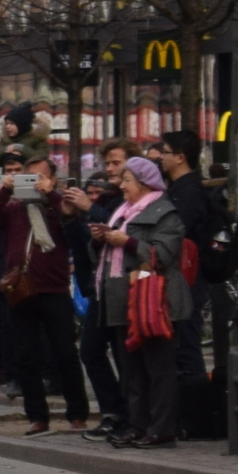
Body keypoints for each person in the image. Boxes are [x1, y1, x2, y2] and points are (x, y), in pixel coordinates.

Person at [0, 161, 90, 434]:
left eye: (39, 177)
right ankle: (37, 416)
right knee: (26, 356)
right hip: (21, 290)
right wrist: (3, 191)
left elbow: (73, 231)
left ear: (52, 179)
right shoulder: (14, 209)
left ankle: (77, 412)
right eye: (28, 176)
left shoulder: (59, 206)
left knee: (65, 353)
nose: (33, 182)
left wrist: (51, 193)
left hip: (54, 290)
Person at [91, 154, 188, 447]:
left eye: (127, 180)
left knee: (159, 367)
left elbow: (164, 254)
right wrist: (99, 239)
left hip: (154, 303)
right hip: (124, 300)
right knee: (132, 368)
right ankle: (137, 423)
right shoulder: (123, 211)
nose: (121, 186)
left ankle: (162, 429)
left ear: (145, 183)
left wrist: (127, 242)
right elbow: (105, 256)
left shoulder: (165, 213)